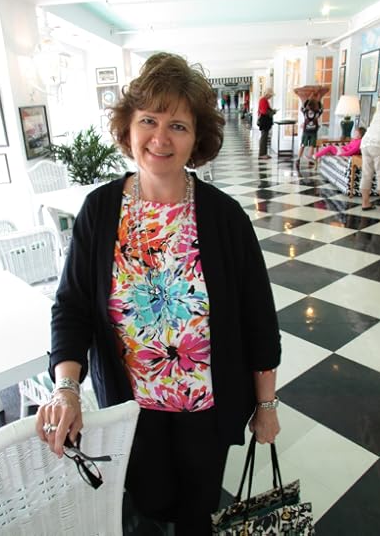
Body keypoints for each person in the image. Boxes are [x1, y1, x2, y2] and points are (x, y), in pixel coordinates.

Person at [35, 52, 281, 536]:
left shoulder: (225, 217)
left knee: (196, 512)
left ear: (197, 138)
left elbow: (258, 319)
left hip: (208, 408)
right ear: (128, 127)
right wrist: (66, 387)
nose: (160, 138)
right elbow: (72, 308)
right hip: (131, 408)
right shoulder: (99, 211)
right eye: (148, 120)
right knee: (145, 505)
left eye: (178, 126)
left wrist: (267, 405)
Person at [360, 99, 380, 211]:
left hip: (366, 142)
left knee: (366, 174)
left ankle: (365, 203)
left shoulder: (379, 106)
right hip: (379, 143)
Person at [296, 94, 323, 168]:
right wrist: (318, 101)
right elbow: (321, 109)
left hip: (306, 131)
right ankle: (310, 159)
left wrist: (308, 99)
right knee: (312, 146)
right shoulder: (317, 113)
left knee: (302, 145)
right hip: (313, 132)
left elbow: (302, 107)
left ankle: (298, 159)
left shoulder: (305, 112)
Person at [257, 88, 277, 159]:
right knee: (264, 137)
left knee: (265, 137)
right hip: (264, 121)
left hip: (265, 121)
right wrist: (272, 112)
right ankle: (262, 154)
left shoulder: (264, 100)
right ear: (267, 94)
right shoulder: (263, 100)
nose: (270, 97)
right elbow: (264, 111)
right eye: (270, 95)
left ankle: (264, 153)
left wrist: (271, 111)